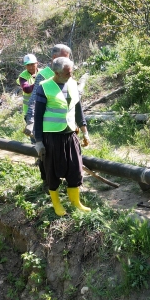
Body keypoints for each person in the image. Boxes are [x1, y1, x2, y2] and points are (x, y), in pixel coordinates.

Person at [33, 56, 91, 216]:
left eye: (71, 72)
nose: (71, 76)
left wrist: (84, 131)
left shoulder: (72, 84)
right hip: (51, 137)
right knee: (52, 171)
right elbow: (38, 117)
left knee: (75, 169)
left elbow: (78, 110)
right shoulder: (44, 87)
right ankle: (57, 204)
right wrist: (39, 141)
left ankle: (75, 202)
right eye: (67, 73)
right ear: (56, 73)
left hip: (70, 134)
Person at [25, 44, 70, 136]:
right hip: (47, 127)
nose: (66, 62)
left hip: (64, 127)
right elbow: (34, 100)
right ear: (54, 57)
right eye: (64, 58)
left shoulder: (67, 73)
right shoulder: (44, 75)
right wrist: (31, 122)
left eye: (68, 59)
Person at [18, 54, 39, 120]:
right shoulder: (23, 76)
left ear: (37, 63)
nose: (30, 67)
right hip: (30, 109)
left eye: (32, 64)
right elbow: (27, 89)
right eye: (28, 65)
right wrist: (39, 82)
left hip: (43, 106)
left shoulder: (43, 72)